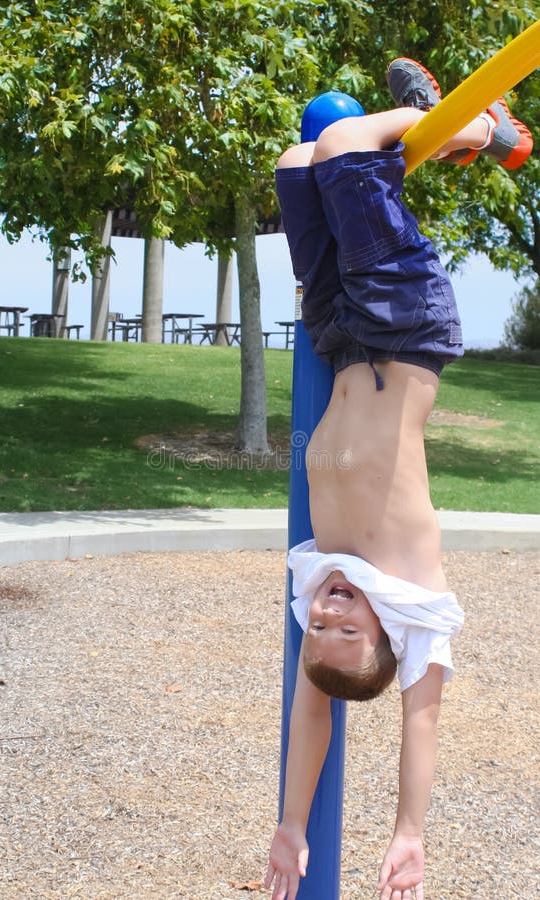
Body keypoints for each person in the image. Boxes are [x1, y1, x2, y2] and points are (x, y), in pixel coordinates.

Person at [264, 58, 533, 900]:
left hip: (340, 336)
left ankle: (440, 128)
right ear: (388, 632)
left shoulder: (318, 575)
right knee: (344, 141)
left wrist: (290, 823)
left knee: (295, 163)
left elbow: (313, 709)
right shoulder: (414, 600)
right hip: (402, 330)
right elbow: (421, 719)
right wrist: (407, 834)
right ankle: (489, 130)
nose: (330, 612)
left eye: (322, 627)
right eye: (349, 628)